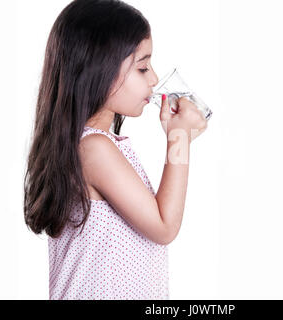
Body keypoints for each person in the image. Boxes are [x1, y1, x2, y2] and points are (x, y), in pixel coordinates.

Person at [23, 0, 208, 300]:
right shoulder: (93, 150)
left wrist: (182, 137)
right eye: (143, 67)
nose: (154, 78)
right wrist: (179, 139)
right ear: (99, 69)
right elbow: (163, 226)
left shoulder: (96, 147)